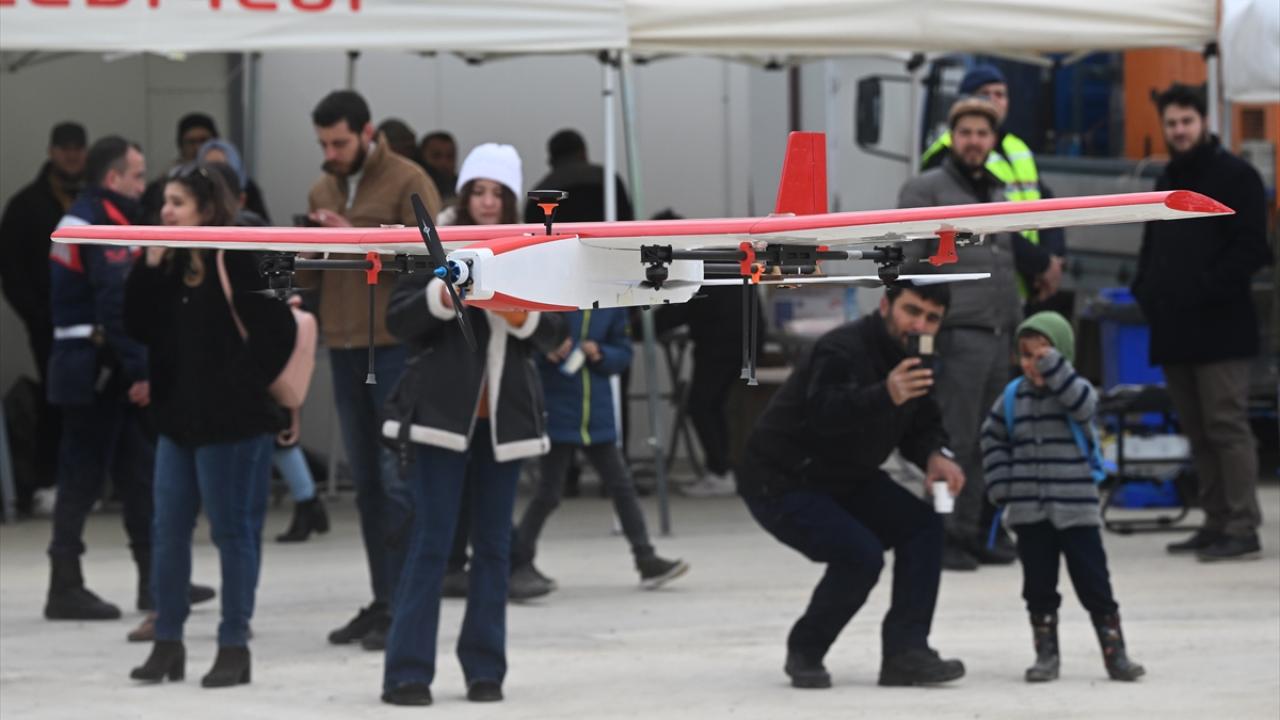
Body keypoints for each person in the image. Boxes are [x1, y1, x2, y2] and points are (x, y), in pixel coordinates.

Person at [380, 143, 568, 706]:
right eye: (478, 192)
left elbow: (556, 334)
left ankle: (485, 670)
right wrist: (442, 295)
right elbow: (398, 319)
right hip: (440, 419)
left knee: (493, 549)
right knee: (431, 544)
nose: (487, 203)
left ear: (511, 198)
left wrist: (520, 311)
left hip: (504, 424)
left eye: (497, 194)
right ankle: (407, 673)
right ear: (464, 195)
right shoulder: (431, 241)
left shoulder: (533, 246)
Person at [737, 282, 965, 689]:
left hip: (846, 474)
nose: (919, 324)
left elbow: (921, 423)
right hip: (782, 478)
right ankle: (805, 651)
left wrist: (935, 455)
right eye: (911, 311)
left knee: (923, 526)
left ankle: (906, 653)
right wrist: (884, 394)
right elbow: (824, 415)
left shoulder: (921, 358)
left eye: (931, 318)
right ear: (884, 305)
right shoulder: (841, 349)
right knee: (860, 555)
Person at [124, 162, 295, 688]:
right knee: (168, 531)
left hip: (234, 424)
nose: (165, 213)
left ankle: (233, 644)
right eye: (163, 203)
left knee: (231, 532)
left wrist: (238, 387)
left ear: (205, 208)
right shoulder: (170, 264)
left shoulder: (240, 253)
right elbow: (139, 327)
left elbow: (279, 331)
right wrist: (149, 267)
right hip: (178, 422)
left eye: (176, 203)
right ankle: (169, 642)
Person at [303, 90, 443, 651]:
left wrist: (357, 241)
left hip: (394, 346)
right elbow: (314, 278)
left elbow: (436, 260)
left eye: (339, 142)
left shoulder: (409, 179)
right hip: (343, 346)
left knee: (396, 482)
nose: (331, 153)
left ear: (367, 132)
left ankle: (405, 606)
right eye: (323, 144)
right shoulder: (321, 187)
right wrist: (310, 254)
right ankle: (384, 599)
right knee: (365, 486)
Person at [1132, 83, 1274, 562]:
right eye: (1171, 123)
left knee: (1225, 425)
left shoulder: (1237, 177)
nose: (1178, 131)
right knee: (1196, 429)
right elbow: (1153, 244)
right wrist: (1144, 290)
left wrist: (1204, 288)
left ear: (1204, 121)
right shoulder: (1167, 178)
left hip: (1221, 327)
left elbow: (1253, 247)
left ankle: (1242, 524)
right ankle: (1215, 520)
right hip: (1176, 328)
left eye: (1186, 122)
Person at [981, 311, 1145, 682]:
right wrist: (1002, 485)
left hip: (1076, 508)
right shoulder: (1011, 397)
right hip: (1029, 511)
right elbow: (991, 438)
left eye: (1042, 354)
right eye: (1025, 355)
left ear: (1062, 356)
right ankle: (1046, 655)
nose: (1033, 364)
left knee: (1094, 583)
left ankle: (1114, 652)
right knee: (1038, 586)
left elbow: (1085, 408)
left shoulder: (1076, 390)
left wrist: (1054, 368)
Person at [899, 97, 1025, 571]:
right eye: (966, 132)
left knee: (987, 441)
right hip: (955, 334)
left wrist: (1016, 329)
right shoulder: (925, 189)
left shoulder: (997, 193)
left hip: (997, 335)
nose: (975, 141)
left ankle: (973, 531)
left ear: (994, 141)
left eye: (983, 134)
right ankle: (940, 534)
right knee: (950, 439)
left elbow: (1005, 264)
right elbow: (906, 264)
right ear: (952, 137)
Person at [43, 136, 165, 622]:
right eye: (136, 175)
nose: (142, 183)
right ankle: (64, 584)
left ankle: (155, 578)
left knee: (139, 473)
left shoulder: (98, 217)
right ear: (113, 179)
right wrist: (142, 371)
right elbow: (116, 304)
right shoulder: (98, 223)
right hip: (97, 366)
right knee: (82, 477)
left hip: (98, 362)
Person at [512, 307, 689, 596]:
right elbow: (527, 343)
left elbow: (623, 352)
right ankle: (518, 559)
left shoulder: (611, 305)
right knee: (549, 493)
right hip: (557, 412)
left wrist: (601, 353)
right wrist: (549, 349)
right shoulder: (552, 299)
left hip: (598, 414)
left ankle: (645, 558)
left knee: (622, 486)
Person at [921, 64, 1064, 308]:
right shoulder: (948, 155)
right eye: (985, 93)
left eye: (1001, 94)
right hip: (982, 286)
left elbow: (1047, 201)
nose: (995, 100)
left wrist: (1055, 258)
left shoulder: (1017, 147)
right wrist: (1041, 263)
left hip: (1023, 285)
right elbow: (981, 222)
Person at [0, 121, 86, 512]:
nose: (71, 154)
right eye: (64, 148)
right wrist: (37, 316)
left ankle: (90, 480)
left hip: (92, 323)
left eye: (77, 148)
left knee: (94, 401)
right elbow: (11, 270)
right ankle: (49, 479)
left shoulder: (92, 201)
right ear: (52, 151)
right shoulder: (26, 206)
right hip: (48, 322)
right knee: (54, 399)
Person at [523, 128, 633, 223]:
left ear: (551, 161)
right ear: (583, 153)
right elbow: (626, 222)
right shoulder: (607, 179)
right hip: (605, 246)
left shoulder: (538, 195)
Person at [196, 138, 271, 223]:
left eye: (221, 166)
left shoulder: (252, 223)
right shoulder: (195, 190)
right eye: (209, 167)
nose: (215, 173)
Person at [418, 131, 458, 205]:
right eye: (436, 156)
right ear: (423, 157)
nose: (444, 162)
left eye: (450, 156)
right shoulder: (414, 189)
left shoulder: (463, 190)